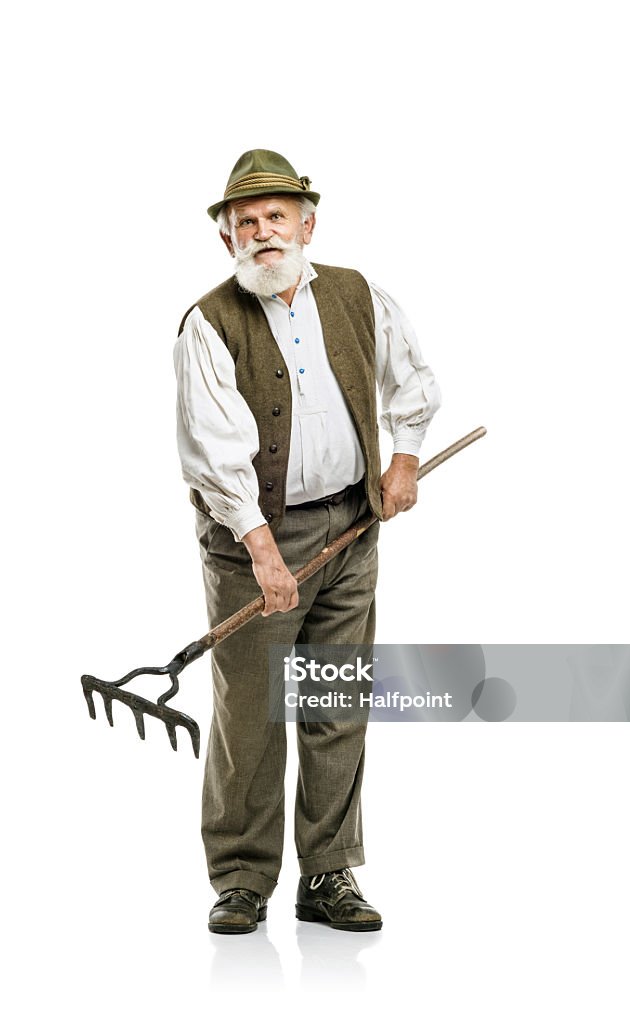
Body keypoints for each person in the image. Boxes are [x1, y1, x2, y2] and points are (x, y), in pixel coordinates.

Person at [173, 149, 441, 934]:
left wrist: (402, 459)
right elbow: (211, 452)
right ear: (228, 239)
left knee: (334, 701)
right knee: (252, 712)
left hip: (354, 530)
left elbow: (411, 380)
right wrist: (261, 551)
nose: (263, 233)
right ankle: (242, 880)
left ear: (307, 225)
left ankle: (327, 876)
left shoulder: (358, 294)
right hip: (255, 540)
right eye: (245, 222)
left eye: (276, 218)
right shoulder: (209, 322)